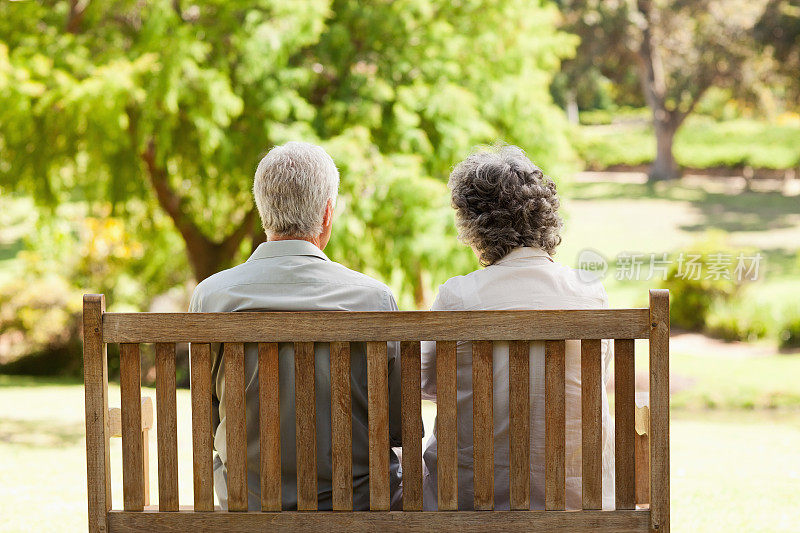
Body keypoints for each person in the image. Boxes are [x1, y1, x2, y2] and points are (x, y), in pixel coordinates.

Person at [189, 141, 403, 510]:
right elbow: (399, 426)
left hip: (248, 506)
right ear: (327, 214)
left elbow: (205, 422)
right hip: (356, 508)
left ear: (263, 211)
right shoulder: (374, 300)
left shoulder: (212, 298)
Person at [420, 145, 615, 510]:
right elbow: (594, 381)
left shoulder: (458, 297)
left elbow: (426, 382)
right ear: (545, 215)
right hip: (579, 501)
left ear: (473, 224)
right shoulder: (590, 292)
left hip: (471, 501)